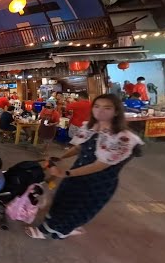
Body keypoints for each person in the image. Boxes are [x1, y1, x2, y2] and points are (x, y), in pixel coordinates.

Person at [26, 94, 144, 240]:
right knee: (63, 199)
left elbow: (100, 165)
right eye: (97, 106)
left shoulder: (123, 138)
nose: (100, 111)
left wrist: (65, 173)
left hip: (97, 182)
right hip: (77, 173)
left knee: (76, 208)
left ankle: (48, 231)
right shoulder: (91, 127)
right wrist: (61, 157)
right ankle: (60, 228)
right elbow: (80, 148)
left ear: (117, 111)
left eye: (107, 108)